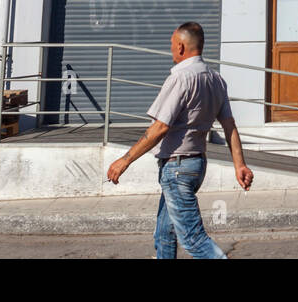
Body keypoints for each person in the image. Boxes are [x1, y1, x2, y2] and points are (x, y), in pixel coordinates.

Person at [106, 22, 253, 259]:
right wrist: (240, 164)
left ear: (182, 47)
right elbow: (229, 126)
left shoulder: (180, 79)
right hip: (195, 165)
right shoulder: (216, 79)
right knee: (164, 233)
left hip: (177, 168)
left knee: (194, 240)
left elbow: (160, 127)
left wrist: (125, 160)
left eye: (172, 45)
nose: (171, 50)